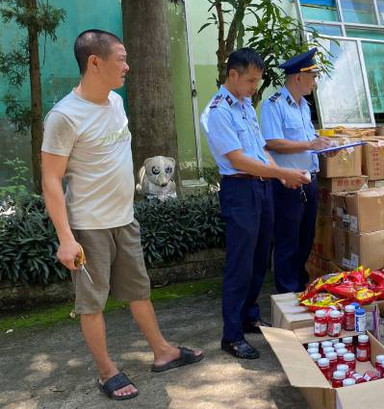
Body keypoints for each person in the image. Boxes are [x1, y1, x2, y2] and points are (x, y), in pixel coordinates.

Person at [41, 29, 203, 401]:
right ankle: (107, 372)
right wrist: (66, 238)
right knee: (92, 304)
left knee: (138, 291)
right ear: (94, 62)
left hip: (124, 219)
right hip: (89, 227)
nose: (127, 66)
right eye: (121, 59)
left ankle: (162, 351)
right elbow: (51, 180)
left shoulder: (115, 101)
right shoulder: (64, 116)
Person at [200, 48, 310, 359]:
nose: (254, 87)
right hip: (240, 190)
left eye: (257, 81)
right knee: (240, 263)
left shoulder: (246, 104)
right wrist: (282, 173)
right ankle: (232, 335)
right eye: (250, 81)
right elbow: (238, 160)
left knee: (261, 257)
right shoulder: (219, 111)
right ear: (232, 74)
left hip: (262, 187)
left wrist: (280, 177)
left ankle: (249, 316)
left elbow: (261, 150)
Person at [261, 48, 332, 294]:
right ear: (298, 77)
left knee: (305, 239)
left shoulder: (303, 106)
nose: (315, 82)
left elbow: (308, 140)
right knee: (287, 240)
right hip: (288, 183)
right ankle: (287, 294)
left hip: (309, 180)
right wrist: (310, 145)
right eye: (313, 76)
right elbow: (272, 142)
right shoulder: (274, 105)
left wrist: (323, 147)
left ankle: (299, 288)